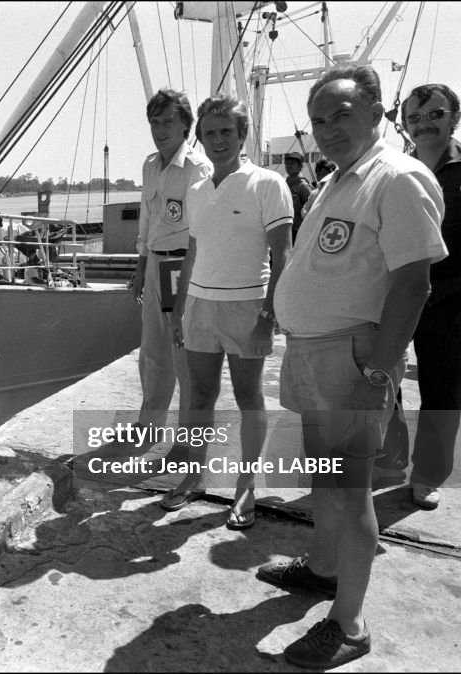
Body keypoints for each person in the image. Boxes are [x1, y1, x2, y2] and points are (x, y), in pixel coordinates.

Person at [258, 65, 446, 669]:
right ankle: (322, 567)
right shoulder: (340, 180)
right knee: (326, 480)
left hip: (352, 358)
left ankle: (350, 622)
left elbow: (413, 284)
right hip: (315, 354)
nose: (327, 128)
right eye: (318, 119)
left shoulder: (396, 178)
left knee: (351, 489)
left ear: (375, 112)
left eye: (341, 113)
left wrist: (379, 375)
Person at [166, 94, 292, 530]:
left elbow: (283, 257)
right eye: (210, 132)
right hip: (201, 305)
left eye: (226, 131)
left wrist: (267, 319)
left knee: (247, 397)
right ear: (199, 137)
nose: (218, 139)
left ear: (242, 135)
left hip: (247, 306)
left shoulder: (267, 184)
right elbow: (193, 252)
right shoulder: (198, 189)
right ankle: (192, 475)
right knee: (198, 396)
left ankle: (246, 484)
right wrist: (180, 310)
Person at [374, 83, 461, 509]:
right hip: (399, 290)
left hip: (449, 293)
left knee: (442, 388)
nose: (424, 125)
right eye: (415, 118)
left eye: (435, 115)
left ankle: (428, 474)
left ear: (454, 117)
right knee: (385, 378)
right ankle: (389, 458)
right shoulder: (396, 167)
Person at [131, 89, 212, 434]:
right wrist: (140, 267)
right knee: (152, 351)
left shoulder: (198, 168)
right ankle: (149, 423)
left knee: (184, 353)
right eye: (154, 122)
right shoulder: (150, 165)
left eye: (168, 121)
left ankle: (188, 433)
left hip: (182, 265)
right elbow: (148, 220)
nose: (160, 129)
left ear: (185, 126)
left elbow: (203, 232)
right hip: (155, 265)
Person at [284, 151, 313, 239]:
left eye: (292, 164)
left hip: (298, 231)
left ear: (300, 166)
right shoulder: (285, 183)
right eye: (287, 163)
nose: (289, 166)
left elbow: (311, 208)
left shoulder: (303, 186)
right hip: (286, 228)